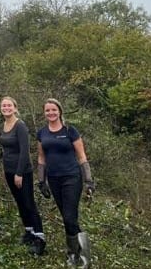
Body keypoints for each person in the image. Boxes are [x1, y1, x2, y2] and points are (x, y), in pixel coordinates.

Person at [37, 98, 95, 268]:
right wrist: (41, 181)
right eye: (47, 110)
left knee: (70, 217)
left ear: (60, 111)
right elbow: (41, 158)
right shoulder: (42, 133)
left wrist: (89, 180)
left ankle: (83, 258)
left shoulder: (70, 131)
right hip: (54, 179)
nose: (50, 113)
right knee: (67, 218)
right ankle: (73, 255)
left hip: (72, 177)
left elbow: (82, 156)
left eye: (53, 110)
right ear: (44, 113)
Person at [0, 96, 45, 255]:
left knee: (28, 203)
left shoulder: (20, 126)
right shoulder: (3, 125)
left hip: (22, 171)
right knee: (19, 202)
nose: (6, 108)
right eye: (4, 106)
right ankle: (29, 231)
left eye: (9, 105)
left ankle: (40, 238)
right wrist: (8, 173)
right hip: (9, 170)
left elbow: (25, 152)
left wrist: (19, 173)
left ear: (15, 107)